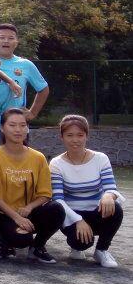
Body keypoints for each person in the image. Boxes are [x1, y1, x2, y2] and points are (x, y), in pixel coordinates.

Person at [0, 107, 65, 263]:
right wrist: (17, 218)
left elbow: (45, 194)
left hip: (28, 212)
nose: (18, 130)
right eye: (12, 125)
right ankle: (3, 241)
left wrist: (29, 207)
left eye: (22, 125)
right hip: (4, 214)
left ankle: (38, 247)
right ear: (2, 128)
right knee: (21, 240)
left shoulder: (38, 157)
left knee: (56, 209)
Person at [50, 115, 124, 268]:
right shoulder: (56, 164)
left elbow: (111, 187)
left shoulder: (100, 158)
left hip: (96, 212)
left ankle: (102, 250)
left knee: (116, 208)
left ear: (86, 136)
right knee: (81, 243)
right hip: (72, 215)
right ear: (62, 137)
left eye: (80, 135)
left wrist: (108, 195)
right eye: (69, 135)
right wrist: (78, 220)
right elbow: (57, 199)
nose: (75, 140)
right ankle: (77, 247)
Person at [0, 23, 49, 120]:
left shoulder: (26, 65)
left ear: (16, 42)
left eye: (11, 38)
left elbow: (43, 89)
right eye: (2, 37)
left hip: (14, 122)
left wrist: (32, 113)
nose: (6, 41)